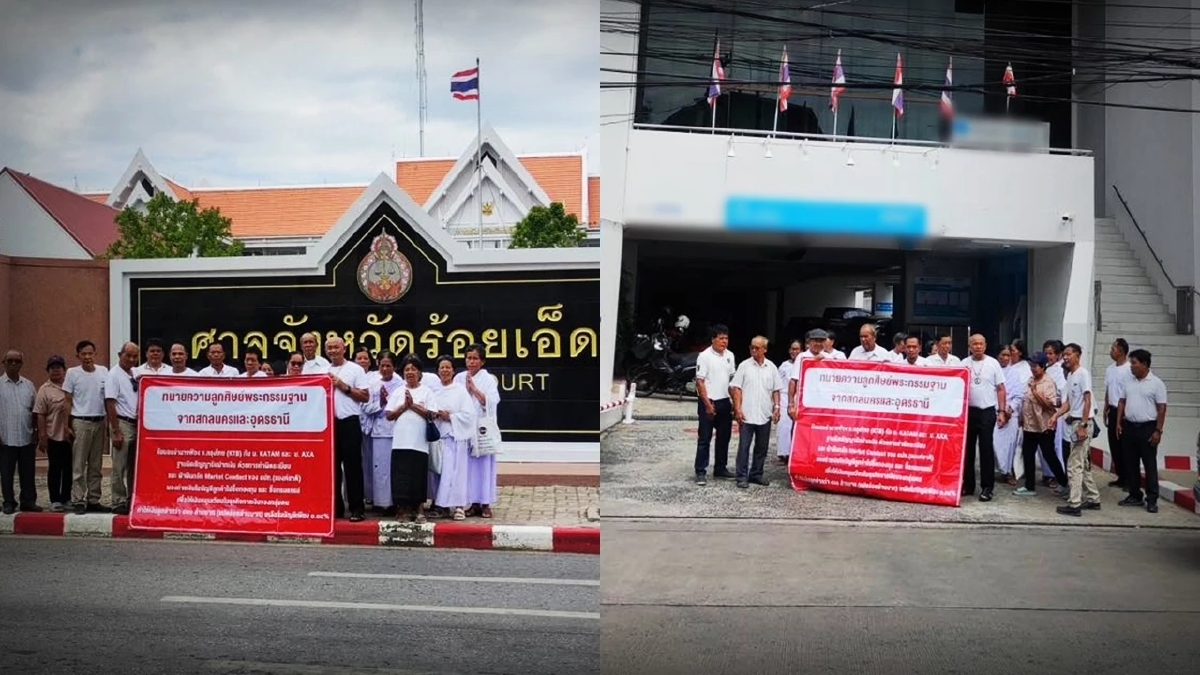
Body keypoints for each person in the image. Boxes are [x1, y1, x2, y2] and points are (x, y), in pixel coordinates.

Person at [384, 354, 438, 523]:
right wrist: (403, 407)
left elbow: (432, 414)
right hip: (400, 443)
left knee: (418, 476)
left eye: (413, 369)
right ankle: (403, 510)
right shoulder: (398, 392)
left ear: (419, 372)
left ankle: (420, 509)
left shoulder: (427, 391)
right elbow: (389, 415)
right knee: (401, 477)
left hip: (419, 443)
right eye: (407, 369)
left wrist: (413, 405)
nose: (410, 372)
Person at [1051, 343, 1101, 517]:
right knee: (1083, 464)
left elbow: (1087, 400)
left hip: (1081, 423)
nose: (1065, 357)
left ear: (1078, 356)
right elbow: (1069, 404)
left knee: (1074, 465)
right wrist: (1055, 416)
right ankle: (1094, 499)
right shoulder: (1071, 376)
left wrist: (1084, 425)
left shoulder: (1083, 374)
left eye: (1069, 354)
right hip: (1074, 422)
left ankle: (1074, 504)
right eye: (1064, 354)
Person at [1117, 349, 1168, 513]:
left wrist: (1158, 431)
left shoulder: (1157, 384)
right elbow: (1122, 402)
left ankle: (1152, 499)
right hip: (1130, 427)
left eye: (1134, 363)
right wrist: (1119, 422)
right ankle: (1134, 495)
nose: (1131, 366)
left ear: (1144, 364)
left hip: (1148, 428)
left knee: (1149, 465)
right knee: (1131, 463)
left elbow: (1161, 409)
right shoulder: (1129, 381)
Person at [325, 337, 369, 522]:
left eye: (336, 347)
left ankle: (357, 508)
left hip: (349, 422)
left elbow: (365, 396)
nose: (333, 351)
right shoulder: (323, 370)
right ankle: (336, 508)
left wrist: (343, 386)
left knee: (352, 467)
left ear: (344, 348)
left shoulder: (355, 369)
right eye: (330, 348)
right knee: (332, 468)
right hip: (329, 424)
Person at [730, 336, 783, 489]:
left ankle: (756, 474)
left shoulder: (771, 367)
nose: (754, 350)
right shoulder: (744, 366)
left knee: (762, 447)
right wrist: (738, 409)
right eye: (752, 347)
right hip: (747, 414)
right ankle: (741, 476)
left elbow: (776, 390)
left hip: (764, 413)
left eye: (757, 348)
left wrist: (777, 408)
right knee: (744, 447)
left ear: (765, 349)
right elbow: (736, 389)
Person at [64, 340, 109, 514]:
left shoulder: (103, 372)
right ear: (78, 356)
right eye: (84, 354)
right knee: (79, 464)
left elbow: (107, 398)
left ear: (95, 354)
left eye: (90, 353)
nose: (88, 357)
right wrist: (66, 425)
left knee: (96, 464)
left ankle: (94, 499)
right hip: (80, 422)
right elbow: (67, 401)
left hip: (99, 421)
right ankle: (78, 500)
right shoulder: (72, 373)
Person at [455, 345, 501, 518]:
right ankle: (473, 503)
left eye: (475, 358)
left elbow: (491, 401)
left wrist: (473, 389)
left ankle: (486, 503)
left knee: (484, 466)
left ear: (482, 361)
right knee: (470, 467)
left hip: (482, 428)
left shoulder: (488, 379)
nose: (471, 361)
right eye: (468, 358)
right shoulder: (459, 377)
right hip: (466, 428)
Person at [430, 355, 476, 521]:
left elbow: (469, 415)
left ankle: (459, 506)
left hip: (455, 437)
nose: (444, 370)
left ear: (453, 370)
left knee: (456, 473)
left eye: (448, 367)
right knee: (439, 473)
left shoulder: (460, 391)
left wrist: (450, 416)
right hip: (438, 438)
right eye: (441, 367)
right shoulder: (434, 391)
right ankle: (440, 505)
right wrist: (435, 414)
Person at [962, 334, 1006, 501]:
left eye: (981, 344)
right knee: (968, 451)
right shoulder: (964, 363)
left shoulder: (993, 363)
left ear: (985, 346)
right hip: (969, 413)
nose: (978, 346)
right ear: (969, 346)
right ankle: (968, 485)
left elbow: (1001, 388)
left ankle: (987, 487)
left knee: (986, 450)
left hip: (987, 412)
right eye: (974, 344)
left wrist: (1001, 411)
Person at [1015, 352, 1067, 496]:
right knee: (1028, 455)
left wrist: (1035, 391)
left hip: (1044, 426)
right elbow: (1025, 400)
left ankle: (1063, 482)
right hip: (1029, 426)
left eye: (1035, 366)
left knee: (1049, 455)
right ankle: (1029, 486)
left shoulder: (1048, 382)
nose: (1032, 368)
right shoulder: (1030, 379)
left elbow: (1050, 405)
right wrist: (1021, 417)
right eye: (1031, 366)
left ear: (1043, 367)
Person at [694, 324, 736, 486]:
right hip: (709, 401)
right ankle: (700, 471)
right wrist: (707, 404)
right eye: (721, 338)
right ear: (713, 339)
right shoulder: (704, 356)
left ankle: (720, 468)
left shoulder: (730, 356)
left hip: (724, 401)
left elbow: (732, 379)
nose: (724, 342)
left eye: (726, 338)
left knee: (724, 437)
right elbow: (700, 381)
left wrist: (735, 402)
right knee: (704, 438)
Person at [0, 349, 39, 514]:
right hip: (5, 437)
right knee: (6, 473)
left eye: (17, 361)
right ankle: (9, 502)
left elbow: (35, 411)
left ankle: (28, 501)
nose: (14, 364)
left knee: (28, 472)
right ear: (4, 363)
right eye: (10, 361)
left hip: (26, 436)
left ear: (22, 364)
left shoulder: (29, 385)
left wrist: (36, 431)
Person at [105, 342, 141, 515]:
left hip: (136, 424)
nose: (132, 359)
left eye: (135, 356)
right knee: (119, 466)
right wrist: (116, 430)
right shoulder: (113, 375)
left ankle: (131, 499)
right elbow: (110, 403)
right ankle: (118, 501)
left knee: (134, 467)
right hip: (122, 424)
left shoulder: (135, 373)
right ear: (120, 355)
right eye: (128, 356)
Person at [367, 352, 404, 516]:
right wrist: (379, 404)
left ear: (394, 367)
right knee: (380, 468)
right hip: (379, 431)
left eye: (388, 365)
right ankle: (382, 503)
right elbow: (365, 408)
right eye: (382, 365)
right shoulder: (373, 384)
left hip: (397, 431)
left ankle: (397, 502)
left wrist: (390, 405)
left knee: (395, 468)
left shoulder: (401, 384)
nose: (385, 368)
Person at [34, 355, 72, 512]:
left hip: (70, 436)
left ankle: (66, 498)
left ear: (64, 369)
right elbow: (40, 414)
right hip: (53, 436)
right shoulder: (44, 390)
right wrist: (42, 436)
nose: (56, 370)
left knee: (69, 468)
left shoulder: (71, 386)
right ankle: (55, 499)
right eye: (52, 367)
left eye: (59, 367)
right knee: (55, 468)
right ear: (48, 370)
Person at [995, 340, 1031, 486]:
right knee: (995, 443)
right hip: (995, 413)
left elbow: (1018, 394)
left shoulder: (1015, 372)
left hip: (1011, 414)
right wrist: (1000, 411)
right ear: (997, 356)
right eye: (1002, 355)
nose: (1005, 358)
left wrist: (1009, 410)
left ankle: (1008, 472)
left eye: (1008, 355)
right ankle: (1000, 469)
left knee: (1010, 445)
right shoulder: (994, 369)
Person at [1104, 338, 1132, 489]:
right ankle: (1121, 476)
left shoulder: (1129, 369)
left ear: (1121, 351)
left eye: (1113, 348)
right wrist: (1106, 407)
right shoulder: (1110, 369)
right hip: (1113, 410)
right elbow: (1109, 389)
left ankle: (1129, 478)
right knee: (1114, 445)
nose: (1111, 351)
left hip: (1126, 412)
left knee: (1125, 446)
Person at [354, 348, 379, 509]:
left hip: (371, 423)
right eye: (359, 358)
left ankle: (371, 495)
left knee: (371, 461)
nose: (363, 361)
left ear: (370, 361)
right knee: (356, 461)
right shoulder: (351, 374)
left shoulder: (375, 378)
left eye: (365, 358)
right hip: (353, 421)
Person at [775, 339, 802, 466]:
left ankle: (795, 453)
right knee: (784, 426)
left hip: (800, 398)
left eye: (797, 349)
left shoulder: (804, 363)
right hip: (785, 397)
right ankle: (783, 454)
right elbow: (777, 384)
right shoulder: (784, 365)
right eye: (792, 349)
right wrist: (777, 403)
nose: (794, 351)